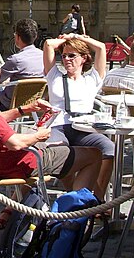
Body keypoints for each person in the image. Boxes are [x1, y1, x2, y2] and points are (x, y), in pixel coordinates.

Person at [0, 57, 102, 229]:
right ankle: (73, 215)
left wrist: (24, 109)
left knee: (61, 150)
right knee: (94, 154)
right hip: (14, 164)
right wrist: (39, 135)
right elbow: (14, 143)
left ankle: (10, 210)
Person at [42, 34, 114, 200]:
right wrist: (67, 40)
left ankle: (99, 197)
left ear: (84, 58)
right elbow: (48, 44)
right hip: (58, 125)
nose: (66, 59)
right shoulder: (55, 76)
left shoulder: (92, 79)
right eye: (64, 55)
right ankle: (72, 193)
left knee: (109, 148)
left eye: (72, 55)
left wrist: (78, 37)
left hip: (83, 127)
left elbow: (101, 47)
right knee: (62, 150)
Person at [0, 18, 45, 110]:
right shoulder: (44, 56)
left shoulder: (16, 60)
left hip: (10, 104)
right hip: (34, 102)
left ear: (17, 37)